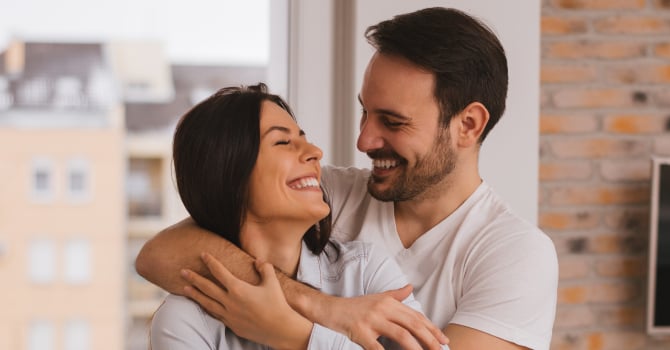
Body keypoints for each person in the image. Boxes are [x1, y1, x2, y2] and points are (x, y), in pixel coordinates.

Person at [137, 7, 558, 350]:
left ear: (468, 125)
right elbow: (161, 253)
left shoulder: (515, 255)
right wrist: (319, 307)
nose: (363, 140)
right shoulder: (324, 197)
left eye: (393, 121)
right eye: (365, 112)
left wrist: (294, 333)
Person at [150, 83, 438, 349]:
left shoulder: (363, 270)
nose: (315, 152)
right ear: (227, 174)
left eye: (303, 138)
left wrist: (295, 335)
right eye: (282, 142)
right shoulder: (184, 321)